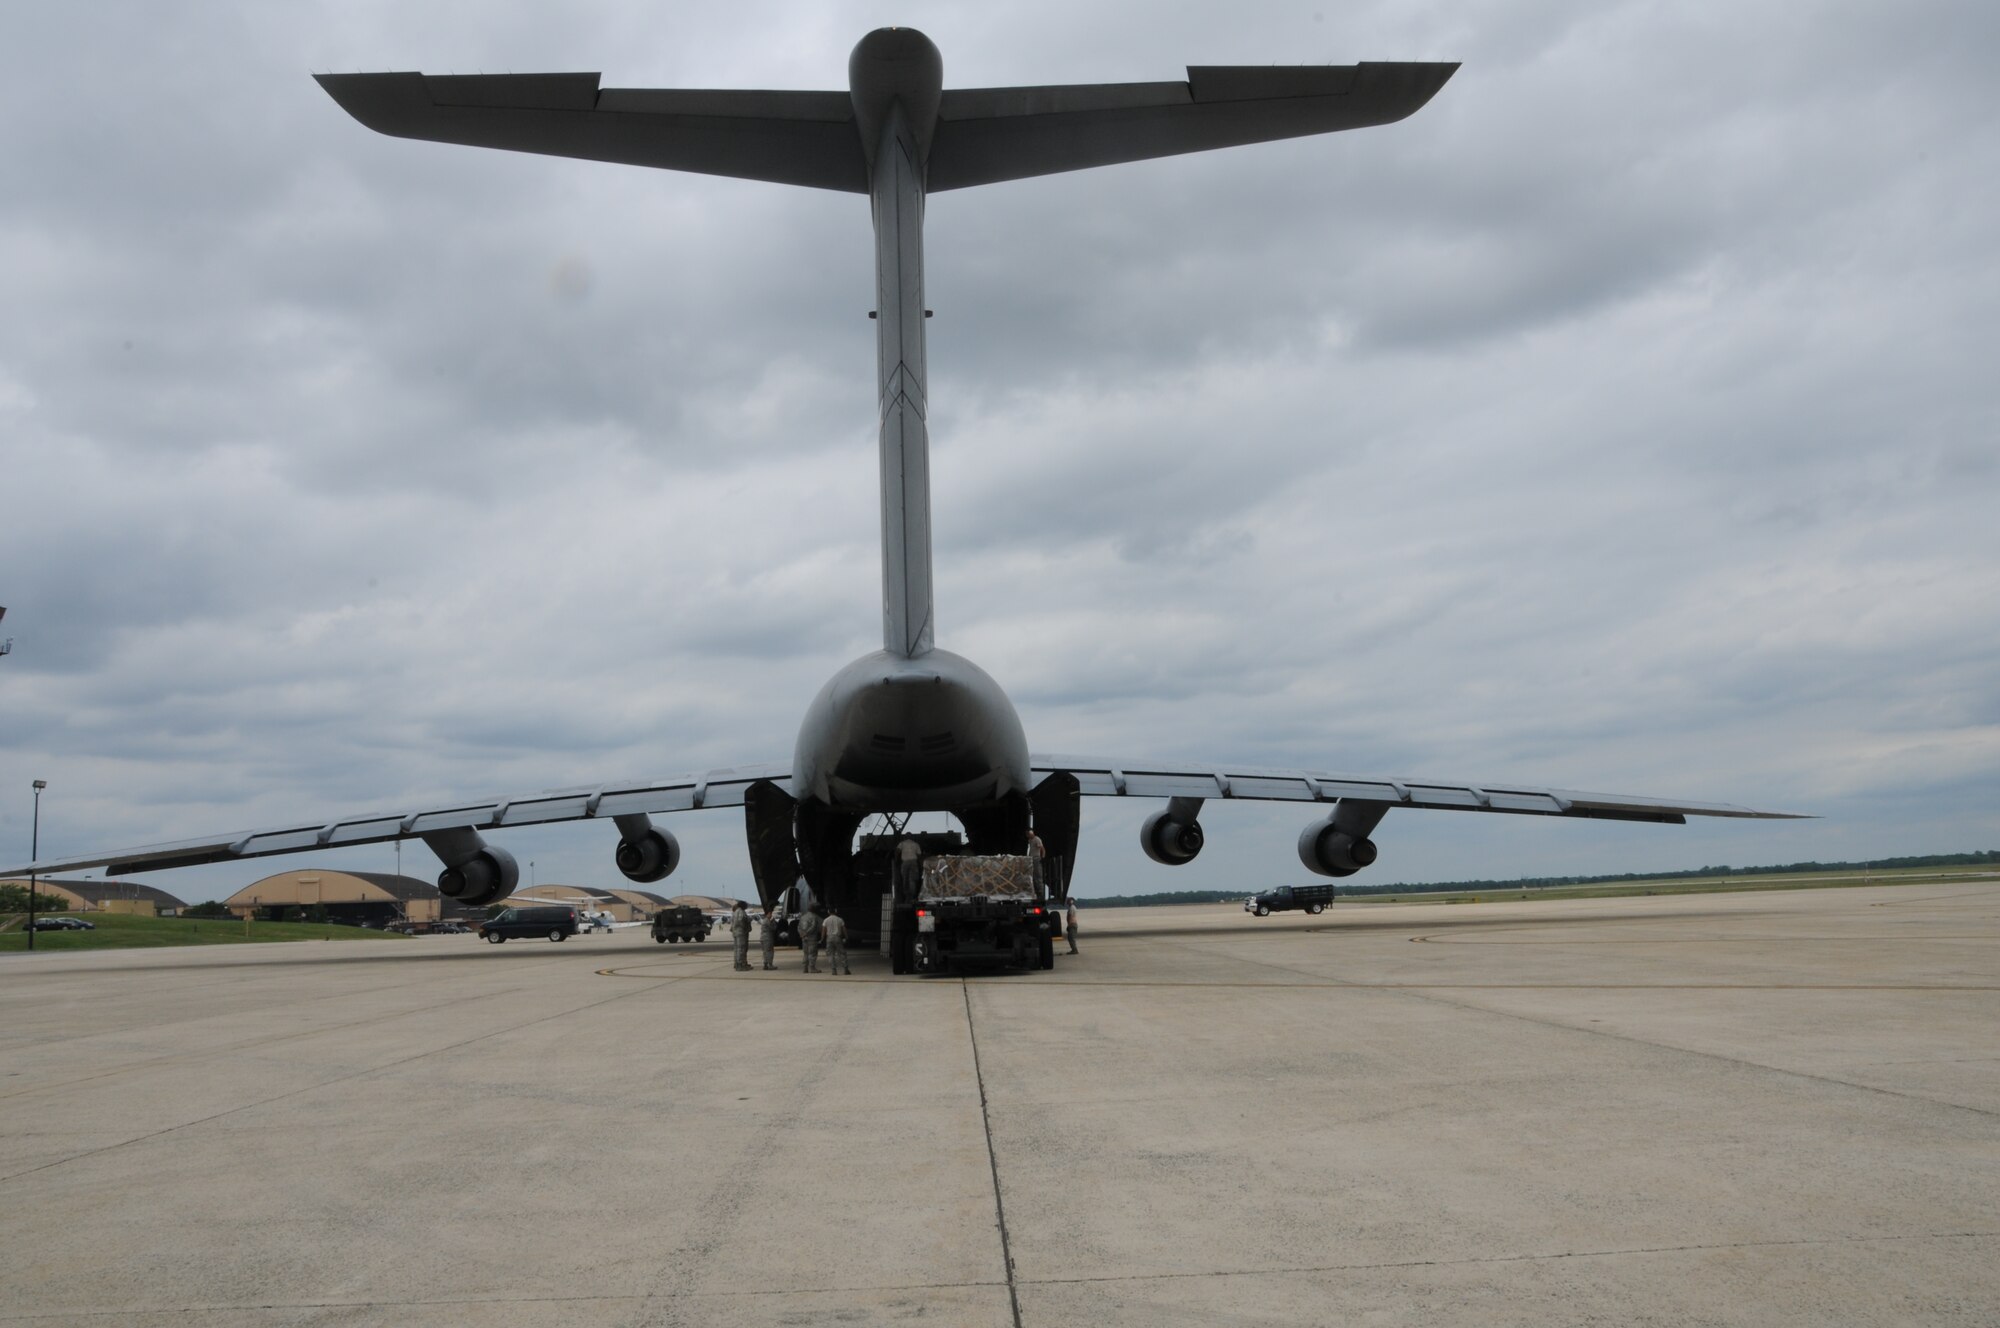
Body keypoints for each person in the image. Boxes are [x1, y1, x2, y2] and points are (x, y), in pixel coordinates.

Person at [822, 909, 850, 975]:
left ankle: (833, 970)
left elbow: (823, 930)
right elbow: (844, 929)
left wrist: (822, 938)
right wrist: (846, 937)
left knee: (830, 954)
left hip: (829, 938)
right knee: (842, 953)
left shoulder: (826, 920)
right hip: (838, 938)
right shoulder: (840, 919)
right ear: (836, 911)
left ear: (828, 912)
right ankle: (845, 969)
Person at [796, 904, 823, 973]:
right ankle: (812, 968)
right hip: (812, 938)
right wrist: (806, 933)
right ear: (814, 910)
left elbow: (798, 927)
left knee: (805, 953)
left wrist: (801, 934)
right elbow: (813, 926)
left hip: (804, 938)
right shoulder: (815, 917)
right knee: (812, 953)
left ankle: (805, 968)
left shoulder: (803, 917)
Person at [895, 837, 923, 902]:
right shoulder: (916, 844)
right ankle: (912, 896)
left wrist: (896, 860)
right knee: (912, 879)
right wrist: (921, 865)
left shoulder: (902, 843)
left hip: (905, 863)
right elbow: (919, 855)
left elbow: (897, 851)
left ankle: (907, 896)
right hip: (913, 862)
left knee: (905, 879)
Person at [729, 900, 752, 971]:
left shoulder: (735, 912)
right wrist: (744, 927)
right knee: (741, 949)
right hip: (741, 933)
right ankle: (740, 965)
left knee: (737, 949)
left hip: (736, 933)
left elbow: (732, 923)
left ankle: (737, 964)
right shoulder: (741, 912)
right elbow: (740, 921)